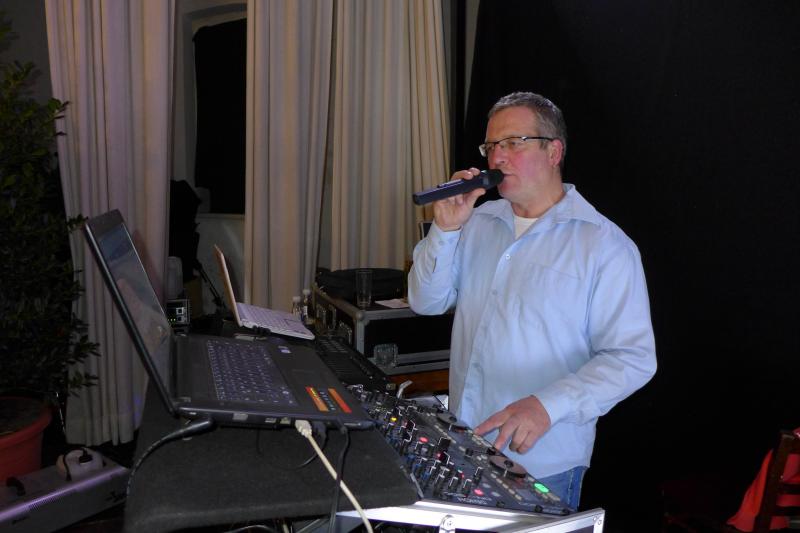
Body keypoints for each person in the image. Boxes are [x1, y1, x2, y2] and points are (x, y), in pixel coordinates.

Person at [407, 91, 657, 509]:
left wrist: (546, 406)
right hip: (466, 443)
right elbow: (425, 301)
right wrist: (446, 229)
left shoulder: (605, 245)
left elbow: (632, 358)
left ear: (554, 152)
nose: (498, 158)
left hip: (542, 462)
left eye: (513, 143)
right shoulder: (477, 222)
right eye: (491, 146)